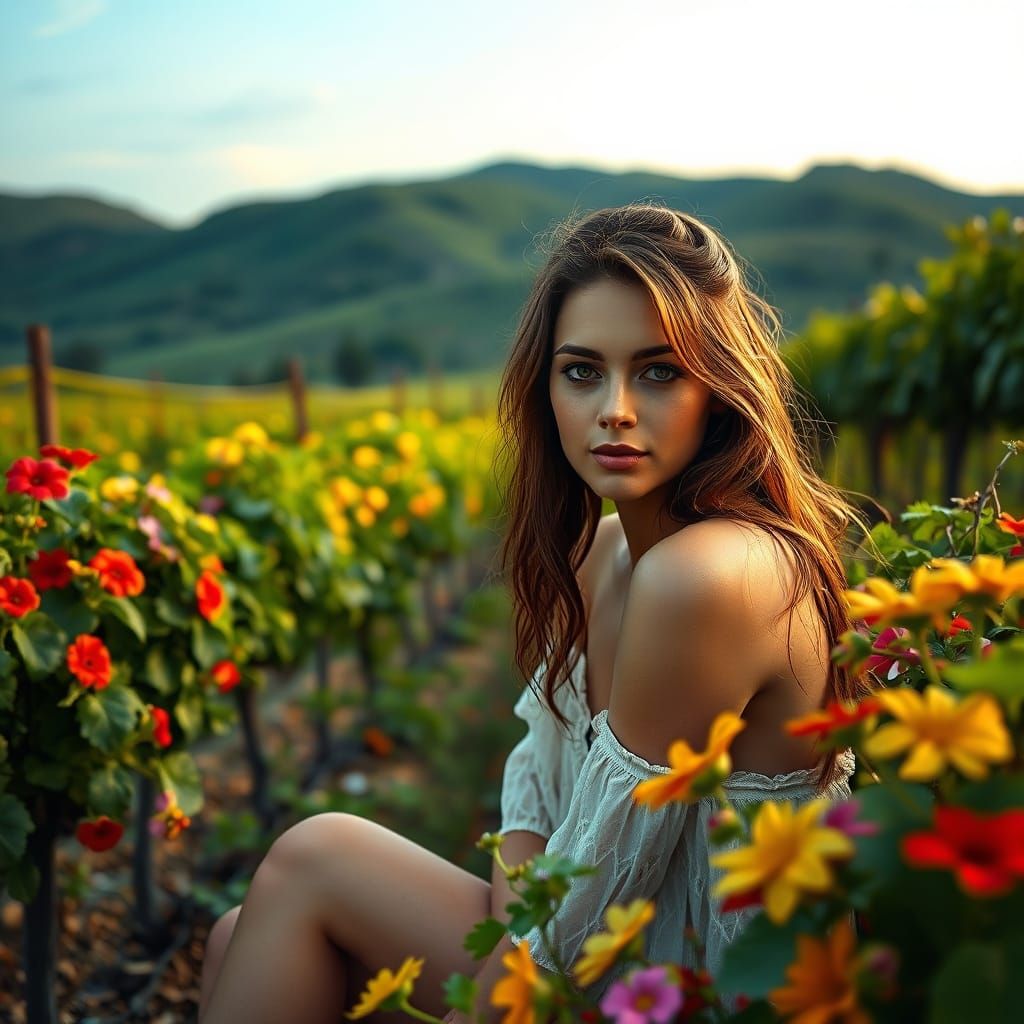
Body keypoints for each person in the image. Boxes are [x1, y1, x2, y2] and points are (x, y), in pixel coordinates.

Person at [198, 203, 865, 1023]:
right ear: (545, 388)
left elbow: (579, 936)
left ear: (718, 391)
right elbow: (537, 818)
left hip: (693, 993)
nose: (614, 408)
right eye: (582, 371)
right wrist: (511, 937)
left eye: (659, 371)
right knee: (240, 934)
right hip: (597, 951)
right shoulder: (606, 552)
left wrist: (479, 998)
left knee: (311, 859)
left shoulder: (710, 574)